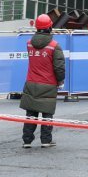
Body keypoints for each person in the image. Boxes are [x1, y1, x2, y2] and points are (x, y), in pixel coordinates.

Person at [20, 13, 66, 148]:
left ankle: (27, 141)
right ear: (50, 27)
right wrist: (60, 81)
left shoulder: (29, 44)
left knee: (31, 114)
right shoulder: (54, 46)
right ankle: (46, 140)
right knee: (47, 114)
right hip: (48, 83)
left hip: (31, 82)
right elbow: (59, 67)